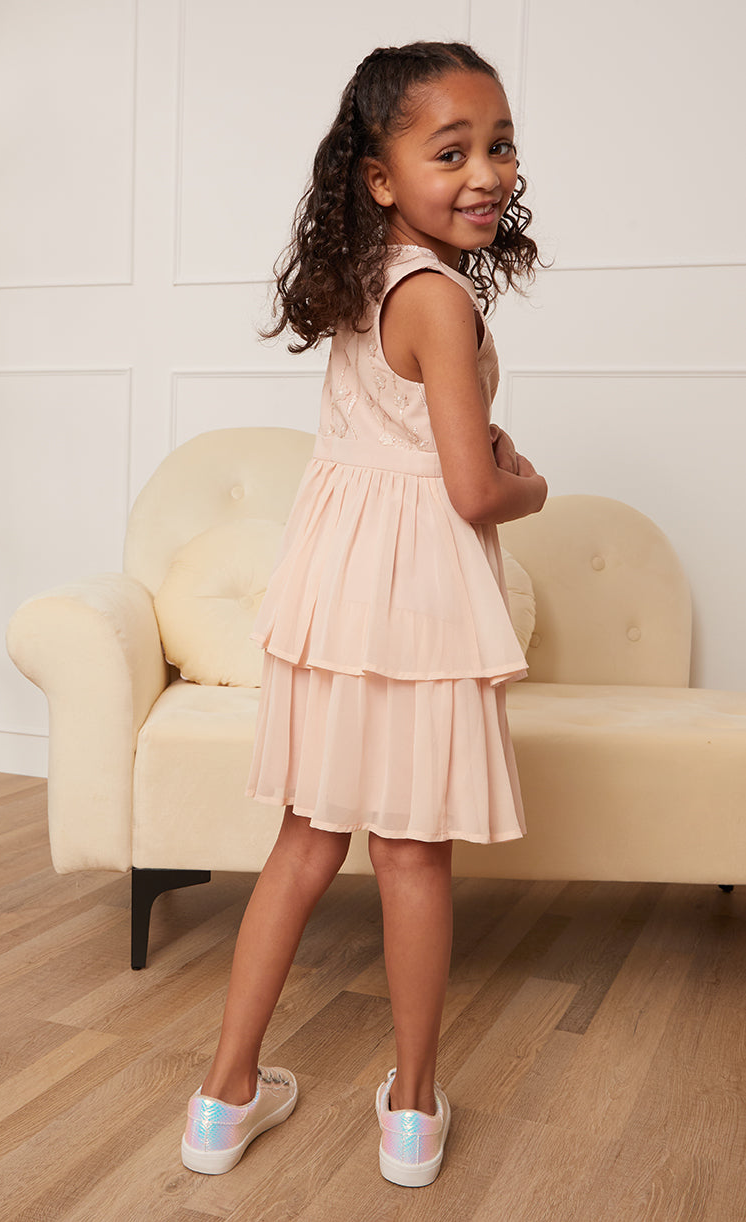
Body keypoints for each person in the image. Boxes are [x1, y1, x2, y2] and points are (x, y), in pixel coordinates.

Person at [180, 40, 547, 1189]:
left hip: (336, 587)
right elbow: (471, 489)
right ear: (380, 176)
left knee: (303, 843)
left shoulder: (368, 276)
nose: (485, 172)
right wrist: (530, 483)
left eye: (499, 146)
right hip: (415, 597)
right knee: (411, 854)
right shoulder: (436, 295)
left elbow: (388, 437)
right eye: (451, 151)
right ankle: (411, 1114)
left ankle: (221, 1101)